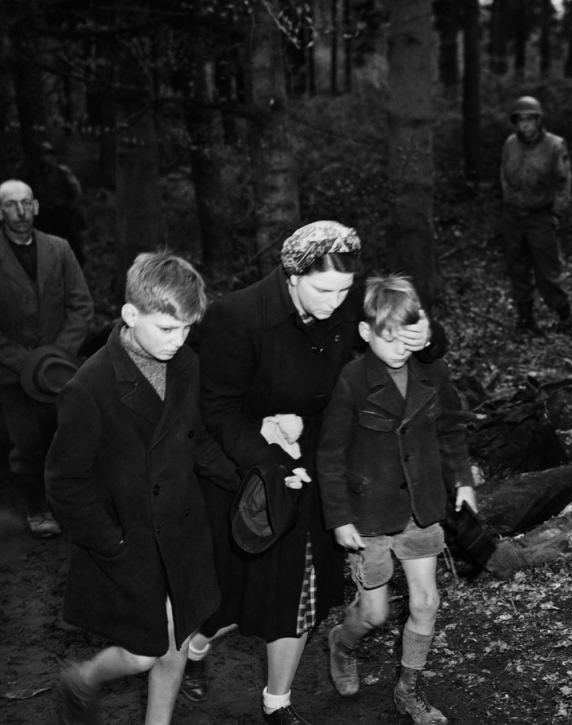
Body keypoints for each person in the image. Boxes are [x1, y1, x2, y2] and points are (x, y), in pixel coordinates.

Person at [186, 221, 443, 725]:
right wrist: (267, 455)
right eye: (324, 289)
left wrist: (427, 335)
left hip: (322, 466)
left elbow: (406, 346)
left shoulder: (349, 303)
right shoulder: (237, 317)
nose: (335, 301)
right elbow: (216, 410)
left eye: (345, 289)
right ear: (291, 275)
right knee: (237, 596)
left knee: (298, 591)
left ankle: (276, 702)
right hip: (250, 470)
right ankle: (195, 646)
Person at [45, 252, 238, 725]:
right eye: (167, 329)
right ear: (131, 316)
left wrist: (246, 478)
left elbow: (193, 439)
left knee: (174, 641)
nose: (179, 341)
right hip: (128, 542)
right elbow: (65, 483)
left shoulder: (185, 363)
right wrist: (112, 542)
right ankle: (84, 678)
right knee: (143, 655)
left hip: (179, 531)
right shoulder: (89, 388)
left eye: (187, 329)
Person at [316, 274, 476, 725]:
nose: (400, 347)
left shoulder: (431, 370)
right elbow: (329, 456)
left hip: (421, 509)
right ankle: (341, 644)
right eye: (389, 337)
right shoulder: (351, 381)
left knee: (427, 602)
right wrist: (339, 517)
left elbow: (449, 428)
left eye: (406, 336)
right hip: (368, 515)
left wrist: (462, 480)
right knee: (374, 612)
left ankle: (409, 691)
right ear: (367, 333)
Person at [0, 178, 92, 538]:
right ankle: (36, 508)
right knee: (26, 447)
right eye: (11, 204)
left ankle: (69, 507)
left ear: (37, 206)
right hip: (11, 374)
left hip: (59, 371)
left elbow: (81, 305)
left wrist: (56, 356)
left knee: (67, 438)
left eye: (26, 203)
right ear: (1, 211)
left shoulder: (60, 249)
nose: (20, 212)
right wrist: (25, 362)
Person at [500, 95, 572, 336]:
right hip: (514, 216)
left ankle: (565, 316)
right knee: (517, 269)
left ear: (538, 121)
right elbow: (503, 175)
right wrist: (508, 200)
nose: (525, 126)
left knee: (547, 271)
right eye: (521, 121)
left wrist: (556, 213)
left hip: (541, 215)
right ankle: (525, 319)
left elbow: (563, 182)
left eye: (530, 120)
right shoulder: (510, 143)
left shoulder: (554, 145)